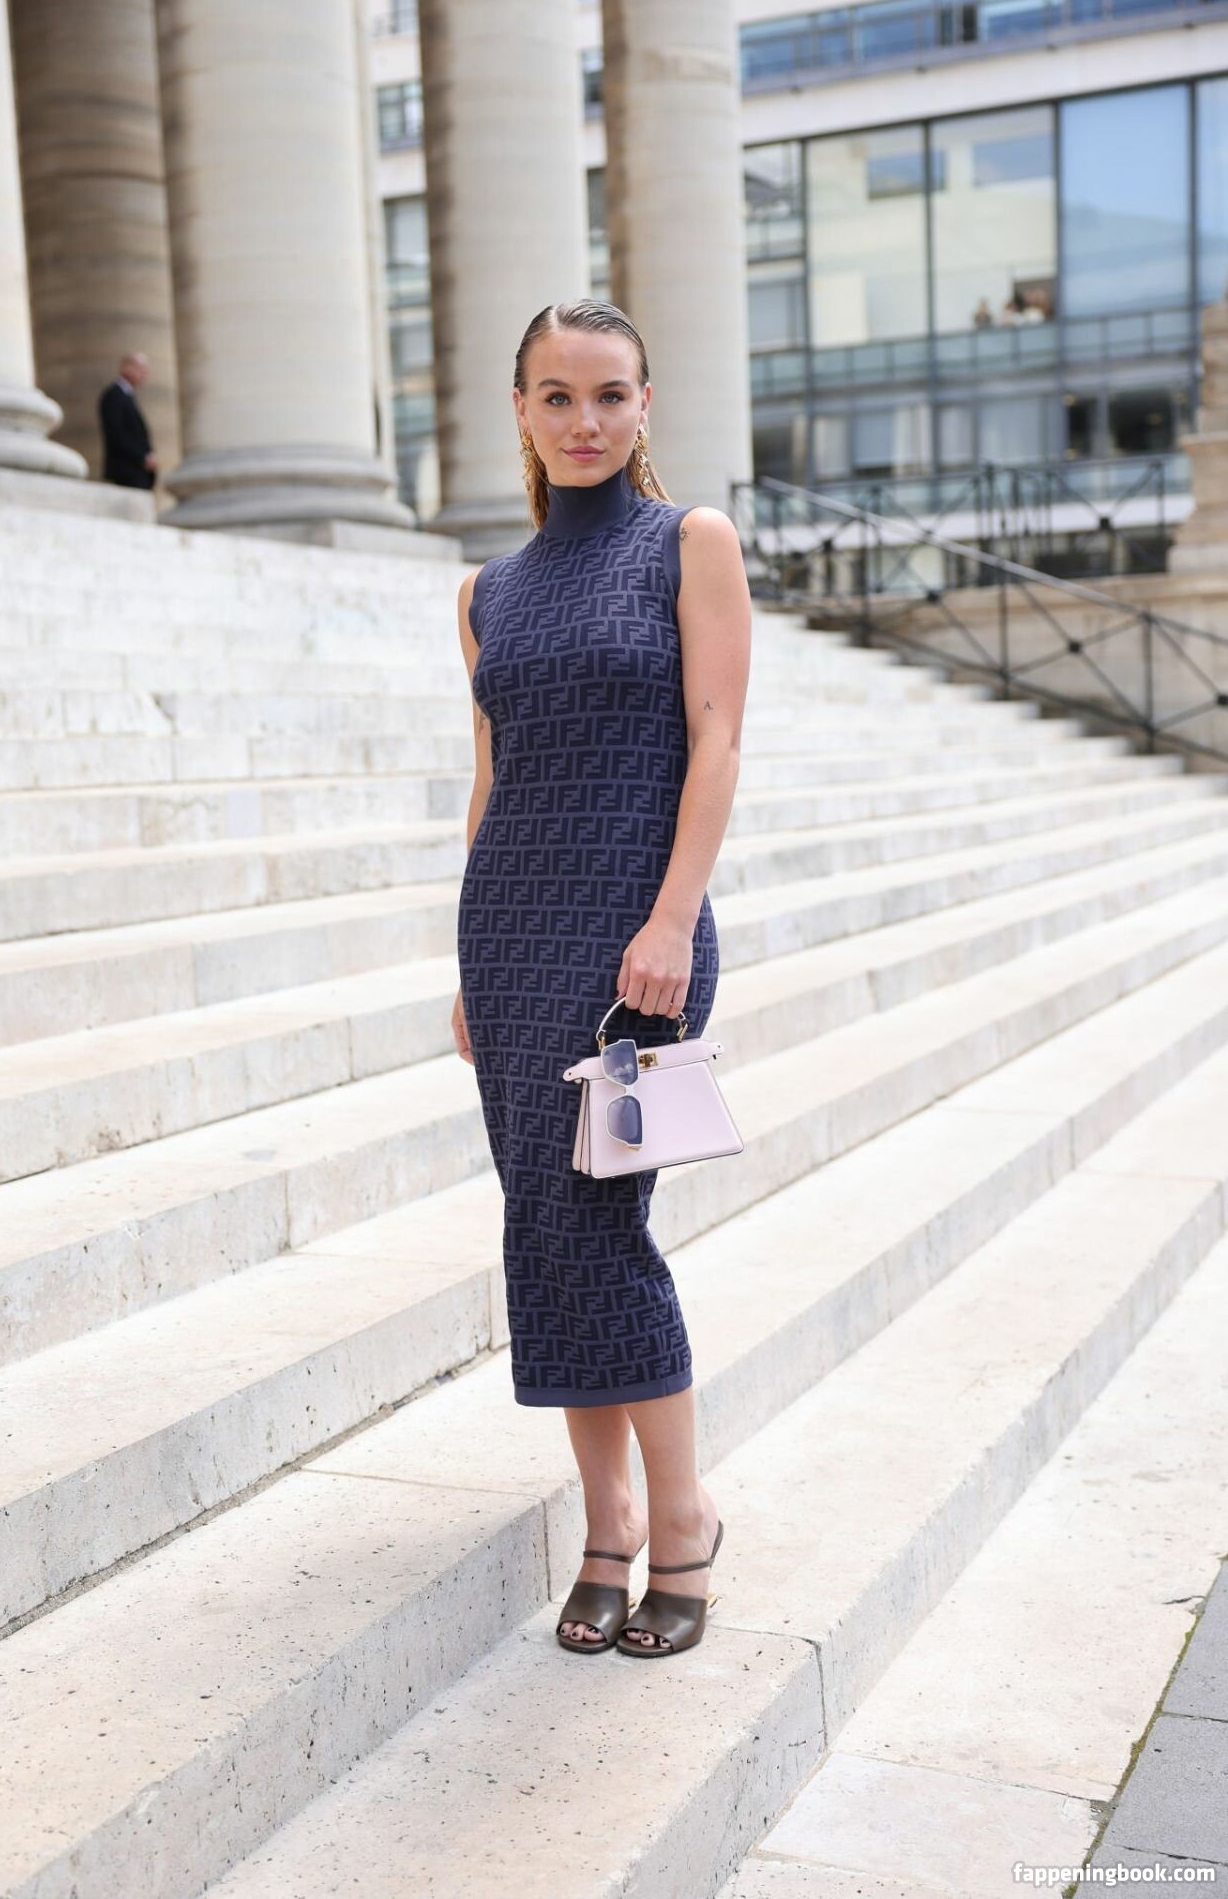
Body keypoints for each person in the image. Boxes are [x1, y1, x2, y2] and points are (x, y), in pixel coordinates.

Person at [452, 298, 751, 1658]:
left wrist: (673, 919)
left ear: (644, 406)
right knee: (542, 1230)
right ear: (520, 409)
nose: (585, 421)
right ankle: (607, 1525)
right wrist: (467, 964)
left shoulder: (689, 542)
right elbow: (490, 783)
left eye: (609, 395)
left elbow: (716, 738)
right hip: (513, 938)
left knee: (599, 1228)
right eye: (558, 396)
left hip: (637, 940)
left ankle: (680, 1520)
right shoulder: (485, 593)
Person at [98, 352, 158, 489]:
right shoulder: (114, 395)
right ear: (126, 368)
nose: (145, 373)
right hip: (127, 471)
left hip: (137, 472)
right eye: (141, 368)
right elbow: (116, 434)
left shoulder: (127, 395)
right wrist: (143, 457)